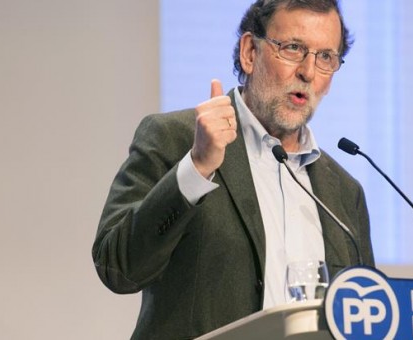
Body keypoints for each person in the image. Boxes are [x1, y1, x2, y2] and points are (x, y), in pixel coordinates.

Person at [92, 0, 375, 338]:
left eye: (325, 57)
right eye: (294, 48)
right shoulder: (175, 139)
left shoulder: (344, 192)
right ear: (249, 53)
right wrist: (196, 168)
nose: (308, 72)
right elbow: (119, 269)